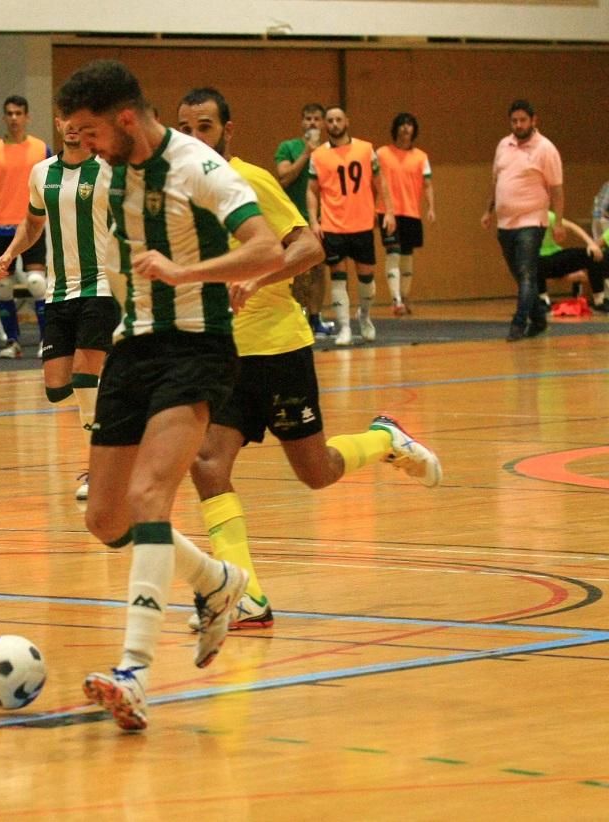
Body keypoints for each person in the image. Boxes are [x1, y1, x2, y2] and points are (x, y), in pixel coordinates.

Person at [56, 59, 284, 732]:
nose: (86, 148)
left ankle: (134, 671)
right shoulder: (105, 178)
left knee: (153, 496)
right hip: (135, 348)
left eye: (91, 133)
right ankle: (217, 582)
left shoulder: (199, 167)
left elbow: (267, 248)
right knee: (106, 519)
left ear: (126, 118)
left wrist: (187, 272)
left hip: (197, 346)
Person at [176, 87, 442, 631]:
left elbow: (310, 246)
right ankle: (246, 594)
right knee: (206, 465)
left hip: (278, 348)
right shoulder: (179, 192)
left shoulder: (248, 180)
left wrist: (256, 275)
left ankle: (385, 439)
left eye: (204, 127)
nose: (193, 138)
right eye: (185, 128)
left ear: (228, 131)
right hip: (223, 355)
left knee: (316, 473)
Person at [0, 115, 120, 499]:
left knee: (84, 377)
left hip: (99, 287)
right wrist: (11, 252)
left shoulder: (107, 171)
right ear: (59, 123)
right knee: (57, 386)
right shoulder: (41, 172)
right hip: (58, 291)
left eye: (82, 121)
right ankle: (121, 412)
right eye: (67, 120)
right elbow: (32, 223)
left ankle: (101, 469)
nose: (73, 127)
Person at [305, 105, 395, 346]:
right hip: (333, 226)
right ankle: (344, 327)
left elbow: (380, 182)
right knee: (338, 277)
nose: (334, 124)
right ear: (325, 125)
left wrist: (389, 212)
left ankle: (364, 317)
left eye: (338, 119)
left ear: (347, 121)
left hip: (362, 223)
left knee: (367, 279)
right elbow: (312, 191)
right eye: (330, 120)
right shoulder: (318, 156)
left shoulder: (366, 149)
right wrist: (314, 220)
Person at [481, 99, 565, 342]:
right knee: (520, 275)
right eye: (514, 121)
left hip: (531, 221)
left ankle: (518, 324)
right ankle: (539, 319)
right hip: (505, 223)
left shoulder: (546, 149)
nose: (518, 125)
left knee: (528, 273)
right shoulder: (503, 146)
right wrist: (488, 211)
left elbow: (557, 190)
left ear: (534, 120)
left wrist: (558, 222)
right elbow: (497, 182)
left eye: (523, 120)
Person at [0, 96, 51, 359]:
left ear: (27, 116)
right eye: (9, 113)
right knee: (3, 287)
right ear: (4, 117)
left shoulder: (42, 149)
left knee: (36, 283)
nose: (14, 118)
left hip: (33, 224)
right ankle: (12, 341)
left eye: (19, 113)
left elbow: (52, 185)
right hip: (0, 227)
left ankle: (46, 341)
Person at [275, 103, 331, 337]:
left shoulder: (330, 151)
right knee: (296, 268)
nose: (312, 123)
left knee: (319, 269)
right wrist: (307, 154)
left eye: (317, 119)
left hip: (322, 218)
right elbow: (284, 177)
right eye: (308, 118)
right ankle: (297, 314)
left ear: (324, 124)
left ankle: (315, 317)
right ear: (301, 122)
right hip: (292, 219)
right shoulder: (288, 147)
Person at [377, 113, 435, 316]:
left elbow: (427, 184)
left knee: (407, 257)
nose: (405, 128)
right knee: (392, 253)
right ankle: (396, 300)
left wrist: (431, 207)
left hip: (411, 212)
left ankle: (405, 295)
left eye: (409, 124)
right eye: (401, 124)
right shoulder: (382, 153)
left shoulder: (421, 157)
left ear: (414, 130)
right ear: (395, 129)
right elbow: (372, 182)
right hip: (387, 212)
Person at [535, 210, 609, 312]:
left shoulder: (546, 215)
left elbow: (573, 227)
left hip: (555, 256)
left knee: (591, 255)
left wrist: (591, 244)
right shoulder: (520, 221)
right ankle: (542, 300)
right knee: (535, 261)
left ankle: (599, 300)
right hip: (537, 260)